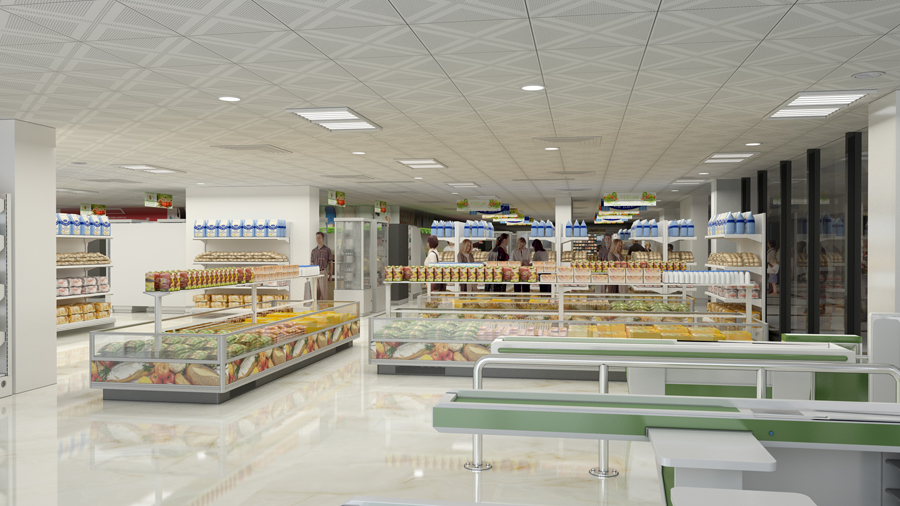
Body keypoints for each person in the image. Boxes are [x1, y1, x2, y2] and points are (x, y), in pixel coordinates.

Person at [311, 231, 333, 301]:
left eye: (319, 237)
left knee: (323, 293)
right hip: (315, 273)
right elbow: (311, 263)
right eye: (316, 238)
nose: (317, 239)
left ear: (323, 238)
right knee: (316, 293)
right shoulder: (313, 251)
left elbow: (331, 263)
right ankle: (316, 307)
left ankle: (324, 307)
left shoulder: (327, 250)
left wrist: (330, 275)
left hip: (323, 272)